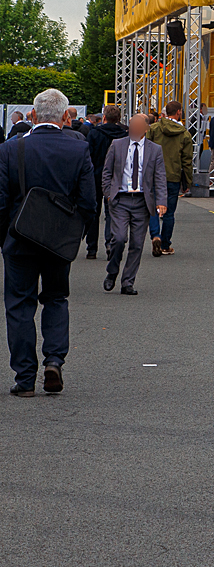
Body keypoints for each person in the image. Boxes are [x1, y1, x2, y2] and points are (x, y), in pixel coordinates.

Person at [0, 88, 97, 396]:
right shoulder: (78, 150)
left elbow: (1, 202)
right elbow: (89, 203)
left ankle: (25, 378)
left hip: (19, 238)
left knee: (19, 305)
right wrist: (73, 235)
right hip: (58, 240)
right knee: (56, 299)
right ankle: (54, 359)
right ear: (66, 117)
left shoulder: (10, 149)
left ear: (32, 115)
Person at [100, 114, 166, 296]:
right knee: (119, 238)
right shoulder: (117, 145)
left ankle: (127, 281)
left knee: (137, 244)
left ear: (146, 129)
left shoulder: (155, 150)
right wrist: (108, 193)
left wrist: (161, 201)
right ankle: (112, 271)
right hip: (120, 199)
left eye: (137, 126)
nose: (133, 129)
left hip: (142, 201)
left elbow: (159, 177)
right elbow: (107, 171)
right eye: (131, 126)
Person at [146, 102, 194, 256]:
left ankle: (155, 235)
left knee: (152, 207)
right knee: (169, 212)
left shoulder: (153, 129)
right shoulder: (184, 134)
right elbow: (187, 160)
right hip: (173, 175)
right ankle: (166, 244)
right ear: (179, 112)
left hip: (153, 175)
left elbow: (144, 151)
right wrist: (187, 181)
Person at [87, 106, 127, 259]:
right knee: (112, 212)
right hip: (116, 177)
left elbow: (88, 156)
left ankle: (91, 248)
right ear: (119, 118)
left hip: (96, 175)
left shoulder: (94, 134)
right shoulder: (124, 135)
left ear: (104, 117)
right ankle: (110, 242)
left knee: (94, 212)